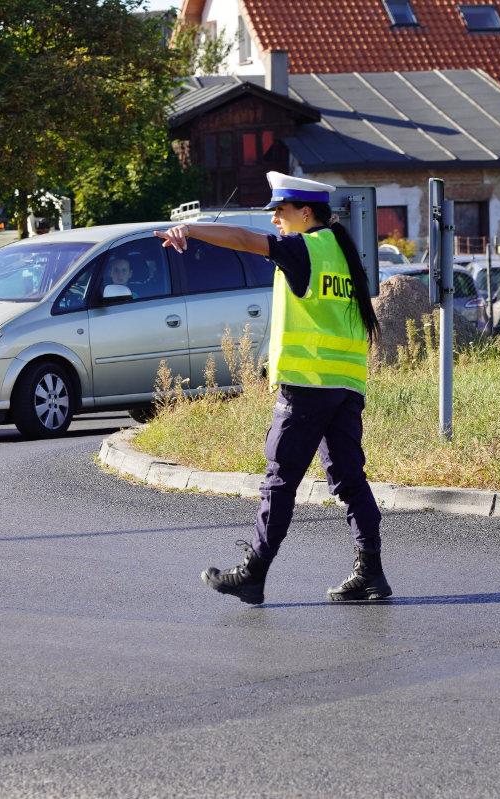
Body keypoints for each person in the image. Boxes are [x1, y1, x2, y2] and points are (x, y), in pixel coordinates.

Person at [156, 171, 391, 605]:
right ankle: (371, 571)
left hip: (307, 384)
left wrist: (189, 228)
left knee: (280, 480)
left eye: (280, 212)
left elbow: (245, 241)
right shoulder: (341, 248)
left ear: (306, 212)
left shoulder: (305, 249)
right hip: (346, 383)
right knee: (349, 479)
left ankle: (254, 572)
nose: (275, 221)